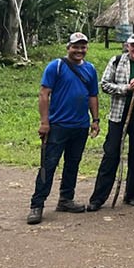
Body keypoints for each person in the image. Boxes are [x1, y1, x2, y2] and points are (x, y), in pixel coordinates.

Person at [27, 32, 99, 225]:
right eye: (76, 47)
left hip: (80, 126)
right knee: (48, 165)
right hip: (58, 125)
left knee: (72, 164)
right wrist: (44, 122)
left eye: (83, 47)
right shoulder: (56, 66)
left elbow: (93, 96)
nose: (79, 50)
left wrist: (96, 119)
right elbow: (44, 95)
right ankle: (37, 204)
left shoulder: (90, 69)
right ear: (68, 47)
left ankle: (66, 199)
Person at [87, 33, 134, 211]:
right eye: (133, 45)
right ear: (127, 46)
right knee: (111, 155)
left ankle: (131, 194)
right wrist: (126, 88)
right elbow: (105, 84)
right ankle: (98, 198)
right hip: (118, 117)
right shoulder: (117, 61)